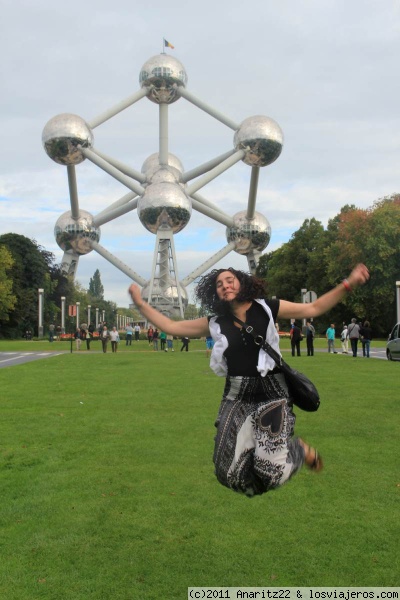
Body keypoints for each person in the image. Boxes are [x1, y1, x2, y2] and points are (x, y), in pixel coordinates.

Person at [128, 263, 369, 497]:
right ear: (215, 293)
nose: (225, 286)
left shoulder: (266, 307)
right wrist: (140, 303)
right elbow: (172, 326)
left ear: (241, 282)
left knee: (270, 471)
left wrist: (349, 284)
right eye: (219, 284)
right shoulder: (214, 323)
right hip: (237, 395)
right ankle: (265, 450)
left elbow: (313, 308)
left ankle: (297, 450)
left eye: (229, 280)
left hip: (272, 392)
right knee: (228, 473)